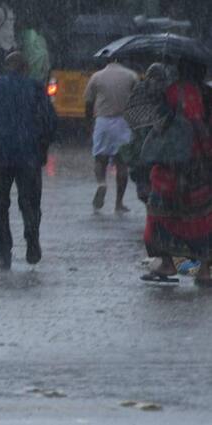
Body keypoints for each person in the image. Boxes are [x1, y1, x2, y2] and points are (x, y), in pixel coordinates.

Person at [0, 52, 58, 270]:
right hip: (30, 155)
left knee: (0, 205)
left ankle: (4, 254)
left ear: (7, 67)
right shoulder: (36, 88)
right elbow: (51, 120)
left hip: (2, 155)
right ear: (26, 68)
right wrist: (43, 148)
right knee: (30, 202)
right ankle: (32, 238)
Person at [142, 60, 211, 286]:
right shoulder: (201, 92)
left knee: (162, 215)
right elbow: (199, 125)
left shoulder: (174, 91)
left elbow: (164, 125)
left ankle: (169, 264)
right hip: (196, 165)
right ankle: (202, 269)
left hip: (172, 164)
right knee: (200, 217)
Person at [84, 59, 139, 213]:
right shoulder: (131, 76)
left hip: (102, 121)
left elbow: (88, 102)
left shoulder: (97, 76)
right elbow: (138, 100)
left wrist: (89, 124)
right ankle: (119, 204)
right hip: (123, 122)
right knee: (122, 163)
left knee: (100, 158)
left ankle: (101, 182)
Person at [121, 63, 171, 203]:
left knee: (147, 184)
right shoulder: (160, 91)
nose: (156, 83)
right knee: (149, 182)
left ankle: (152, 207)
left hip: (149, 147)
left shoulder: (162, 93)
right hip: (150, 146)